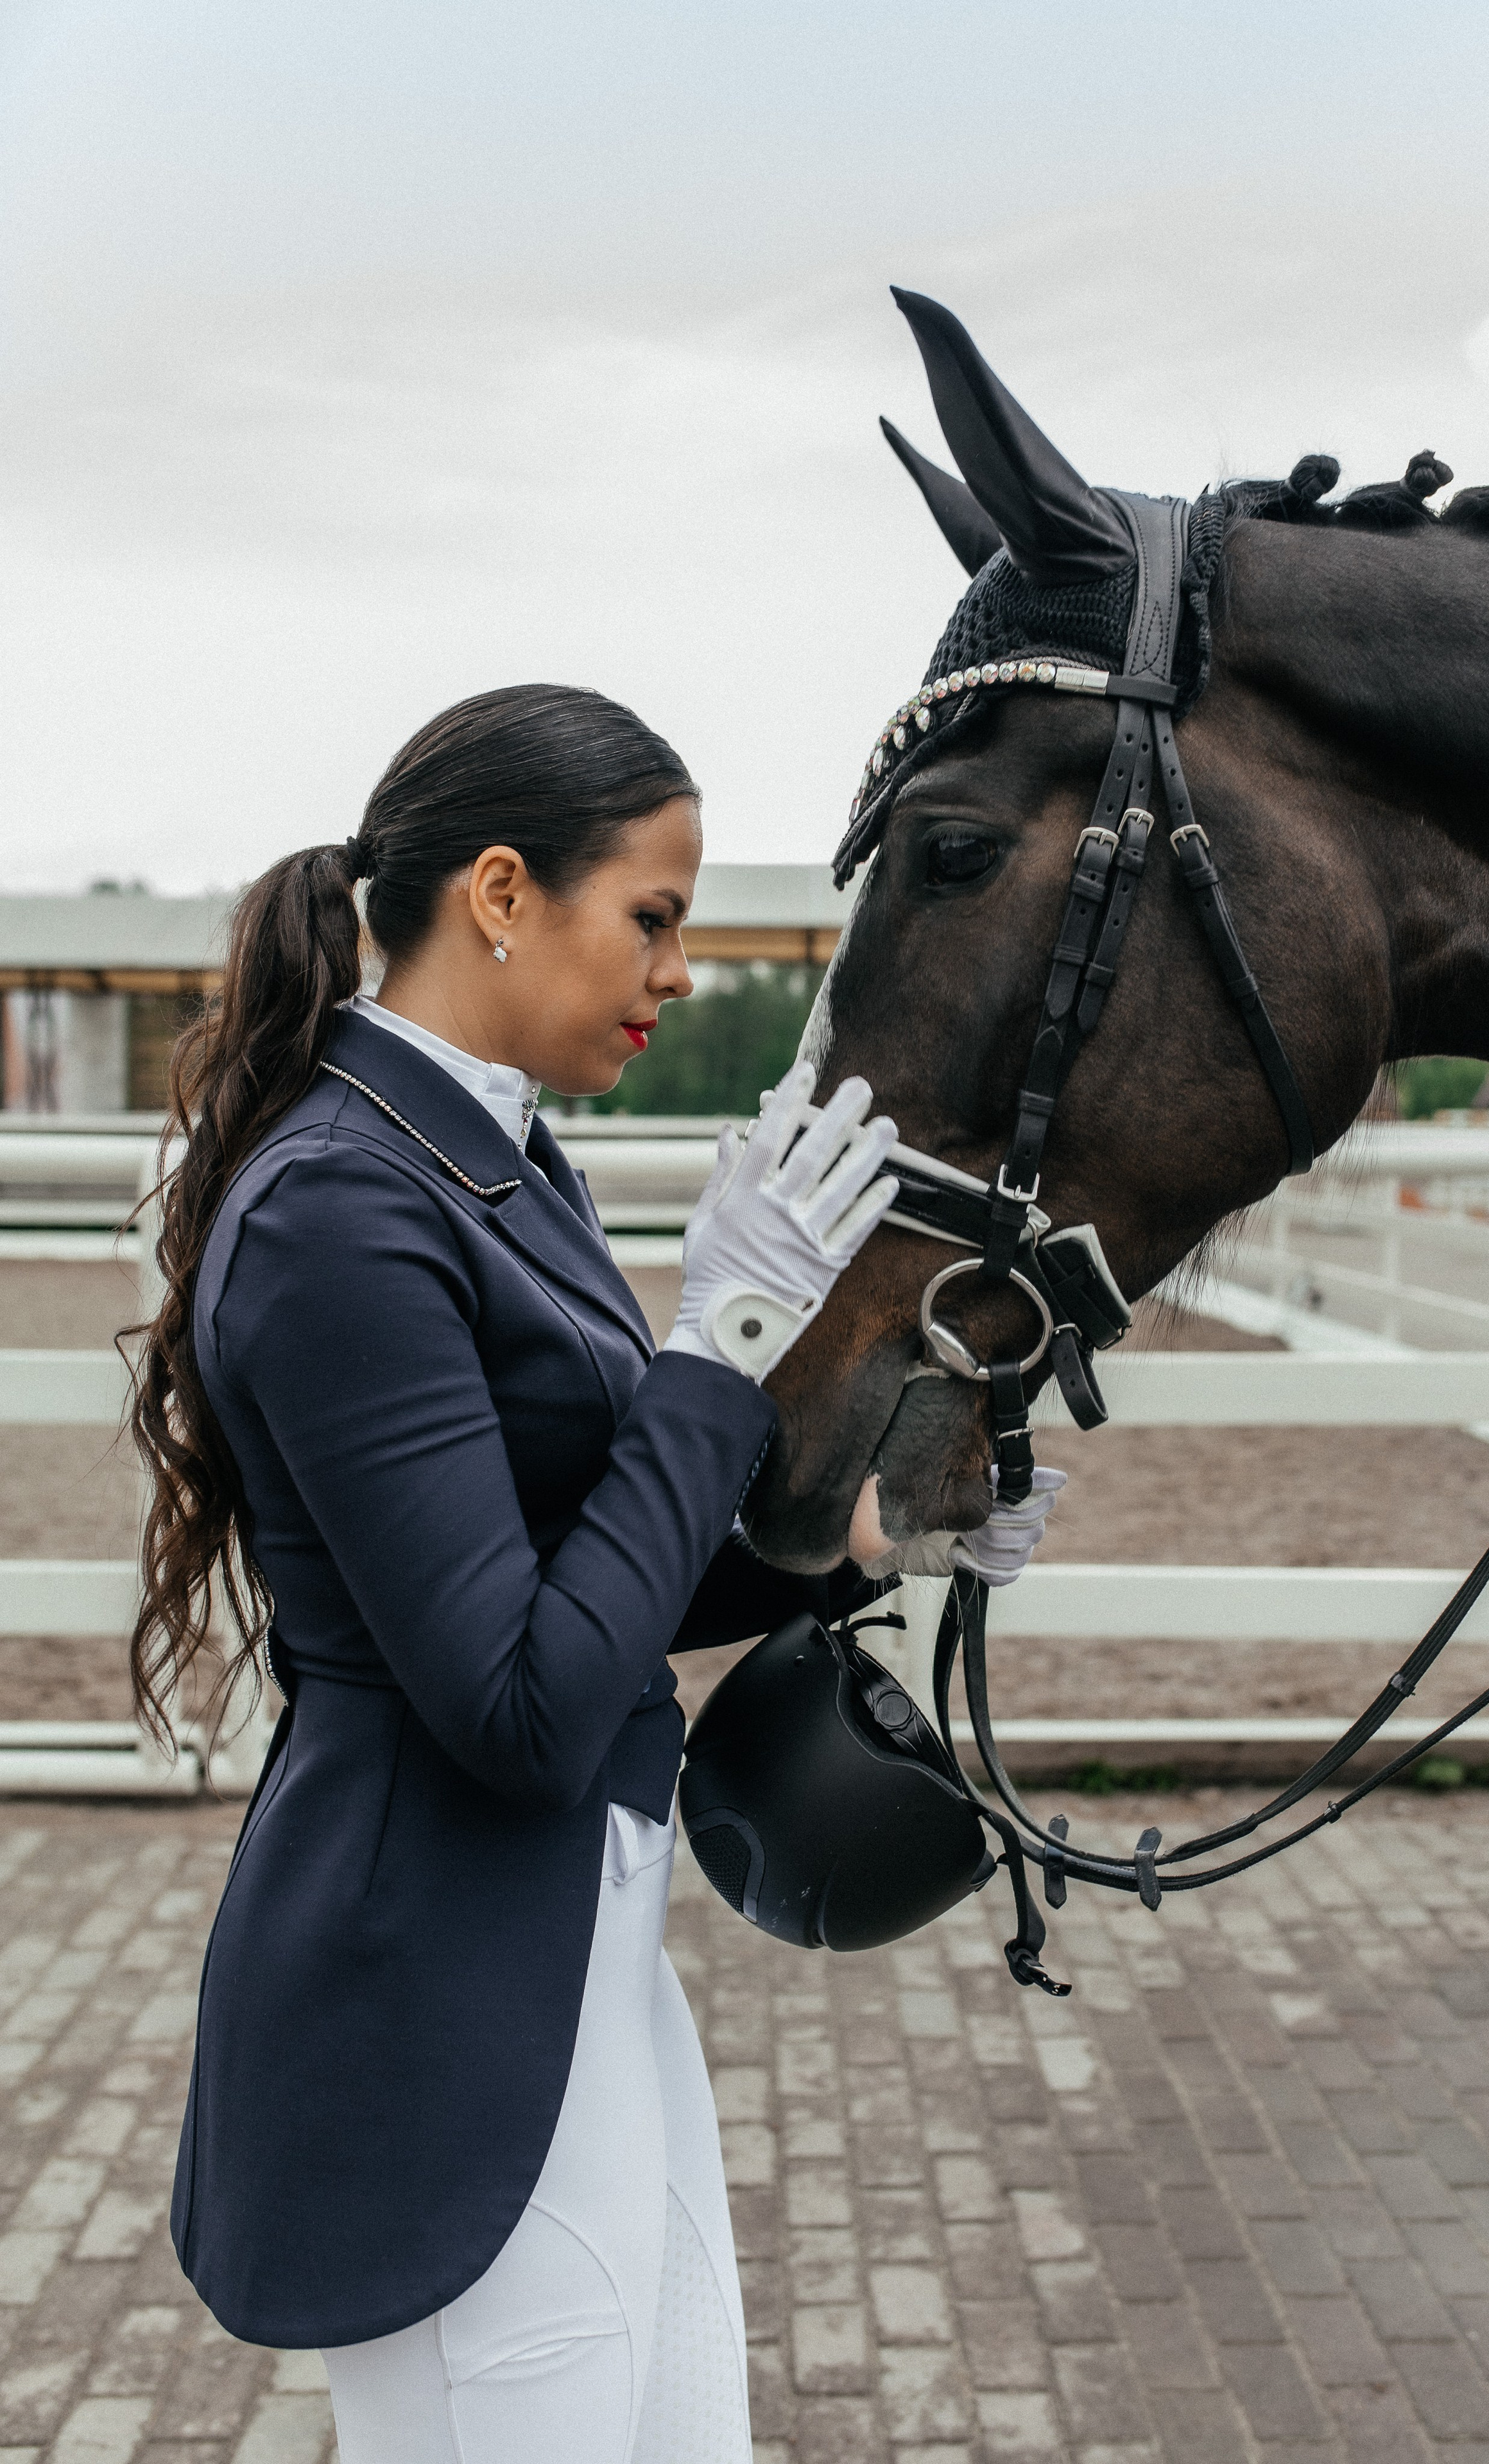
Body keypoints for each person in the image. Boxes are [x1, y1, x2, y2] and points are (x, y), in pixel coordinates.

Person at [128, 682, 1060, 2464]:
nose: (680, 971)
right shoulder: (344, 1207)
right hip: (439, 2000)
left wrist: (873, 1539)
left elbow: (589, 1579)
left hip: (585, 1965)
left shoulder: (492, 1160)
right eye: (653, 916)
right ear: (498, 892)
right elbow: (526, 1709)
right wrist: (714, 1345)